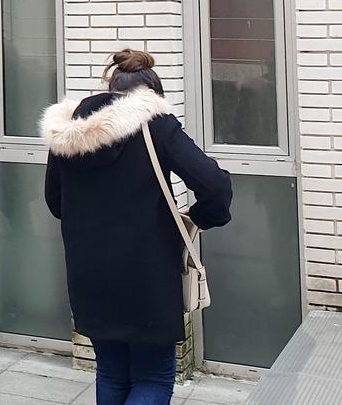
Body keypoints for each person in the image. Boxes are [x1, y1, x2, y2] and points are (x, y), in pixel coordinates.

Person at [41, 49, 233, 405]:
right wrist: (201, 217)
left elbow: (55, 202)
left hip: (88, 270)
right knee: (154, 374)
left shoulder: (66, 132)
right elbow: (215, 186)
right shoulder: (156, 123)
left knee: (111, 370)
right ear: (150, 95)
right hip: (147, 272)